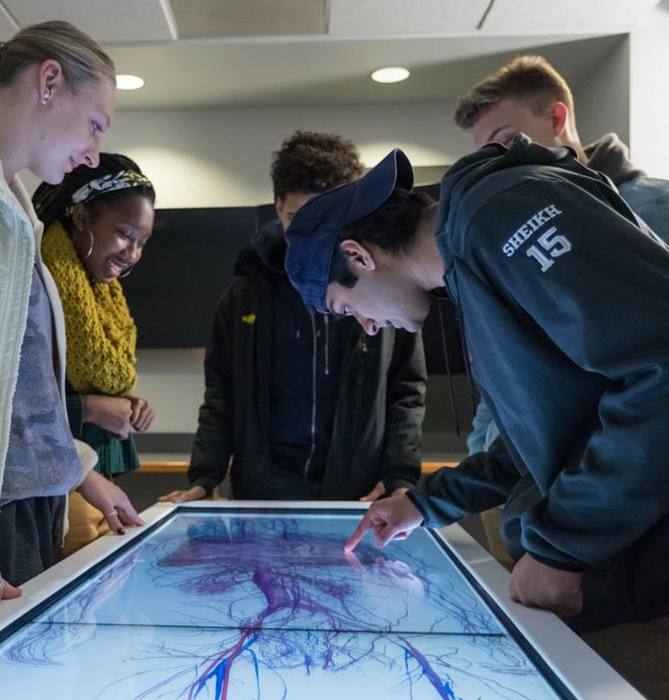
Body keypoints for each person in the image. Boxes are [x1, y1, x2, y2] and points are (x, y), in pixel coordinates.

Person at [283, 142, 669, 632]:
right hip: (627, 567)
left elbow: (660, 372)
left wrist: (564, 545)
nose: (367, 327)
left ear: (358, 256)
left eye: (346, 309)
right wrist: (426, 502)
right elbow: (550, 430)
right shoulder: (471, 266)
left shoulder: (502, 215)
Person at [0, 21, 142, 614]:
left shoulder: (17, 209)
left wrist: (81, 473)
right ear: (48, 81)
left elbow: (20, 394)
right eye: (96, 124)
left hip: (22, 508)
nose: (93, 151)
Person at [160, 131, 426, 503]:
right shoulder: (244, 294)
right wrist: (206, 477)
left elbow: (406, 392)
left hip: (359, 491)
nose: (310, 236)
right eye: (296, 218)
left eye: (326, 220)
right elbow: (220, 393)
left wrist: (399, 479)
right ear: (277, 205)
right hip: (264, 492)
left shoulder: (380, 285)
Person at [453, 54, 669, 455]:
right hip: (523, 479)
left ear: (556, 119)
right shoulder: (508, 237)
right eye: (483, 155)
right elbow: (503, 368)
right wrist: (481, 457)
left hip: (627, 475)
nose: (493, 166)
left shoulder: (660, 209)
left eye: (504, 141)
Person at [33, 153, 156, 554]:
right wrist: (87, 408)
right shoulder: (38, 284)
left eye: (141, 242)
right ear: (82, 217)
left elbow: (102, 378)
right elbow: (10, 401)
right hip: (55, 484)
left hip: (102, 476)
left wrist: (125, 404)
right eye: (124, 234)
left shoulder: (101, 292)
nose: (132, 253)